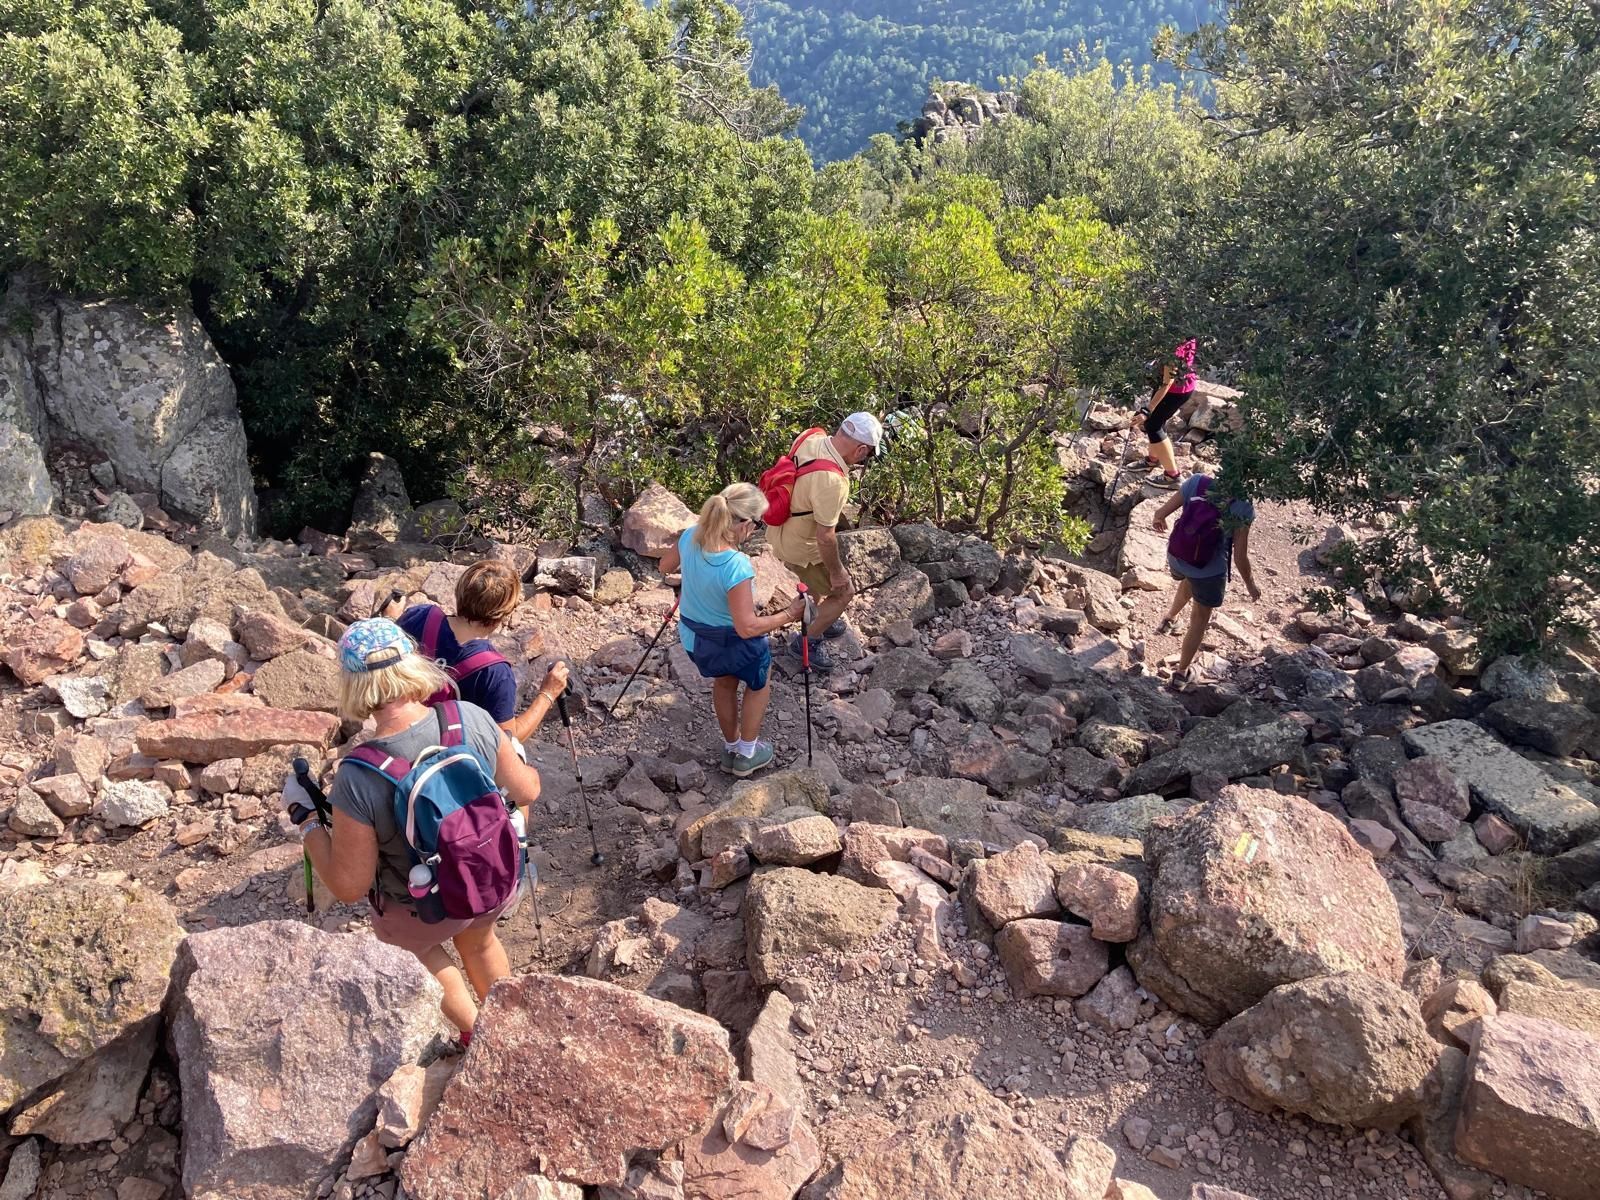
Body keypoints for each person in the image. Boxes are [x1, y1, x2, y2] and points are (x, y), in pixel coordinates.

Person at [282, 617, 542, 1041]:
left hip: (422, 910)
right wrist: (514, 753)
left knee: (419, 949)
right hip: (486, 880)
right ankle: (511, 1032)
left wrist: (307, 819)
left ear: (353, 685)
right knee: (480, 941)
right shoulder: (471, 717)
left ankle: (476, 1037)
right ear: (413, 664)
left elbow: (349, 885)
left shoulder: (359, 775)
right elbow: (528, 790)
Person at [659, 483, 807, 776]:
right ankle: (747, 753)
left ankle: (731, 748)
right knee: (759, 682)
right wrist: (790, 613)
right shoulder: (736, 565)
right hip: (732, 644)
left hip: (696, 640)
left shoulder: (691, 536)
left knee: (725, 681)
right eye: (758, 523)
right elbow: (747, 627)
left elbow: (665, 566)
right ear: (745, 524)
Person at [382, 560, 569, 743]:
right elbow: (508, 740)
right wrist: (547, 694)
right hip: (441, 754)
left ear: (460, 592)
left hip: (395, 733)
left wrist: (390, 621)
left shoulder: (420, 616)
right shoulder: (495, 673)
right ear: (503, 614)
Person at [765, 413, 883, 671]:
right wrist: (837, 572)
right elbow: (825, 537)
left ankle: (818, 618)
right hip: (800, 546)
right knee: (844, 592)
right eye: (867, 454)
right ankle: (806, 642)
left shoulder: (811, 436)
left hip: (778, 528)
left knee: (814, 586)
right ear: (861, 449)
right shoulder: (833, 481)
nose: (864, 459)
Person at [1150, 472, 1261, 686]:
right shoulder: (1242, 506)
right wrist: (1251, 585)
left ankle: (1169, 618)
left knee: (1190, 579)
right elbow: (1239, 557)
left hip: (1177, 557)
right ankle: (1181, 673)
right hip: (1208, 570)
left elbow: (1159, 513)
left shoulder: (1197, 482)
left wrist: (1159, 520)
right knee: (1199, 619)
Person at [1132, 338, 1198, 489]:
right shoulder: (1184, 335)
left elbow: (1167, 383)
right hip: (1180, 384)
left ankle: (1172, 476)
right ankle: (1152, 459)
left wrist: (1147, 410)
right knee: (1156, 422)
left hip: (1176, 390)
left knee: (1153, 425)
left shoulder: (1173, 349)